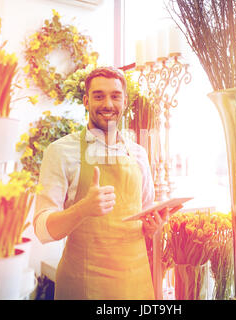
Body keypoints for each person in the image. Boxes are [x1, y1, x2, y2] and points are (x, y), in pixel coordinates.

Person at [33, 66, 180, 300]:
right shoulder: (61, 151)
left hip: (135, 283)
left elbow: (144, 214)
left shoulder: (139, 154)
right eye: (98, 96)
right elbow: (42, 230)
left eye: (115, 96)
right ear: (86, 101)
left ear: (125, 102)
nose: (108, 104)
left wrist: (152, 226)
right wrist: (82, 209)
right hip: (85, 284)